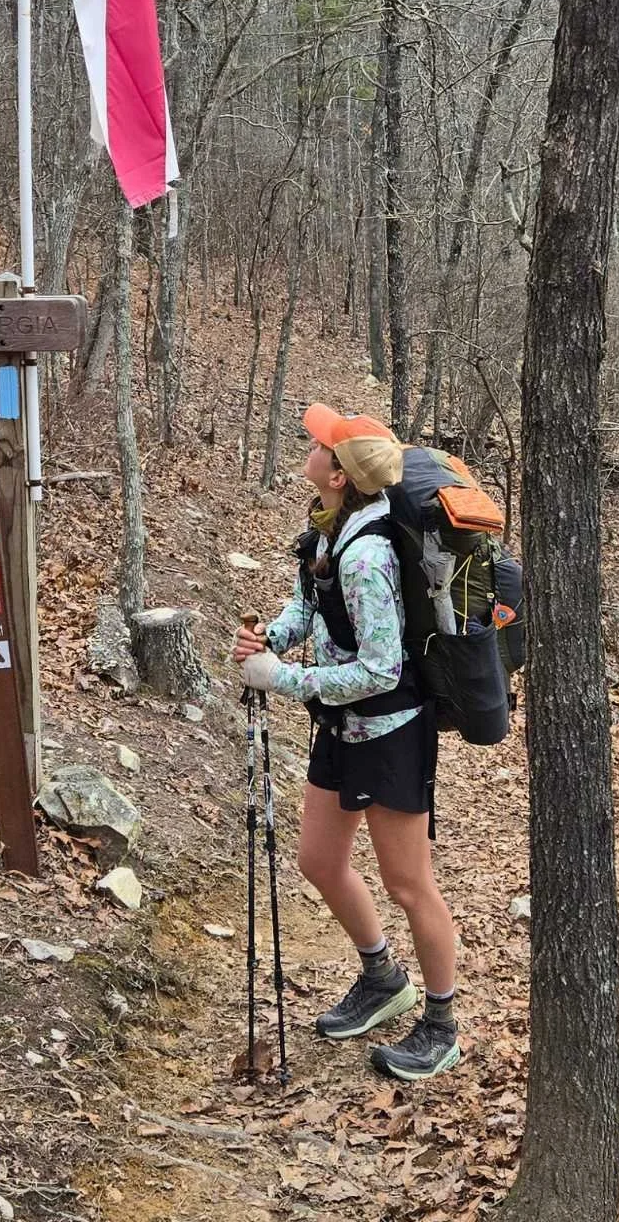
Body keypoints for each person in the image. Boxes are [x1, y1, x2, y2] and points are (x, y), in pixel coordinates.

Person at [233, 404, 462, 1081]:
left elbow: (381, 668)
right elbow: (310, 605)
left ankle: (442, 1025)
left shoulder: (367, 556)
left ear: (339, 473)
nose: (307, 446)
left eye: (319, 444)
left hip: (391, 732)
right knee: (319, 859)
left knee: (409, 883)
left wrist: (287, 678)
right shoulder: (328, 529)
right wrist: (270, 639)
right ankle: (382, 978)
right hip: (341, 725)